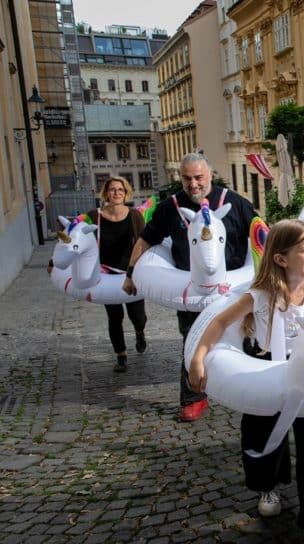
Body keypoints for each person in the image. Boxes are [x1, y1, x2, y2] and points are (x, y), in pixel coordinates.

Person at [189, 220, 304, 544]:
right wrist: (198, 356)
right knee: (261, 440)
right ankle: (268, 488)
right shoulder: (260, 295)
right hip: (266, 370)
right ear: (280, 258)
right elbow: (222, 321)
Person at [123, 153, 257, 422]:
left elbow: (261, 236)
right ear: (180, 178)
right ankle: (193, 397)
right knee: (192, 341)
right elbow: (146, 240)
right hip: (191, 291)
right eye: (187, 178)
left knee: (248, 338)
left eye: (199, 177)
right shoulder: (170, 207)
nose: (193, 184)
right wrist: (130, 274)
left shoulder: (236, 203)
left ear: (210, 175)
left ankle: (252, 391)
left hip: (235, 288)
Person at [80, 176, 148, 373]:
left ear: (126, 193)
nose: (117, 193)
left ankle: (140, 332)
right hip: (106, 274)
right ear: (106, 193)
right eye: (112, 189)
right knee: (114, 316)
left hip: (130, 272)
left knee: (138, 315)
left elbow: (144, 242)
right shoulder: (95, 215)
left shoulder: (135, 216)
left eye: (120, 189)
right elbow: (79, 240)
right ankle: (121, 355)